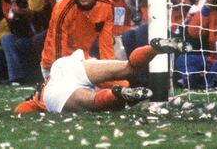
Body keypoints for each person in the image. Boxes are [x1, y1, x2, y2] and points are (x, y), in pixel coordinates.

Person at [14, 37, 188, 114]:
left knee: (93, 102)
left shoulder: (40, 98)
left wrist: (33, 105)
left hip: (54, 95)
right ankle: (155, 48)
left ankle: (119, 95)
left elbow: (19, 110)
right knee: (129, 67)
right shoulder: (55, 73)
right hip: (65, 65)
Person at [40, 0, 115, 79]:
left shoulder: (107, 6)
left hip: (82, 61)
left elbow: (107, 46)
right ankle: (41, 93)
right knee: (75, 94)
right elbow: (58, 52)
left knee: (120, 85)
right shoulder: (64, 7)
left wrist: (109, 74)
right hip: (54, 64)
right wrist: (61, 77)